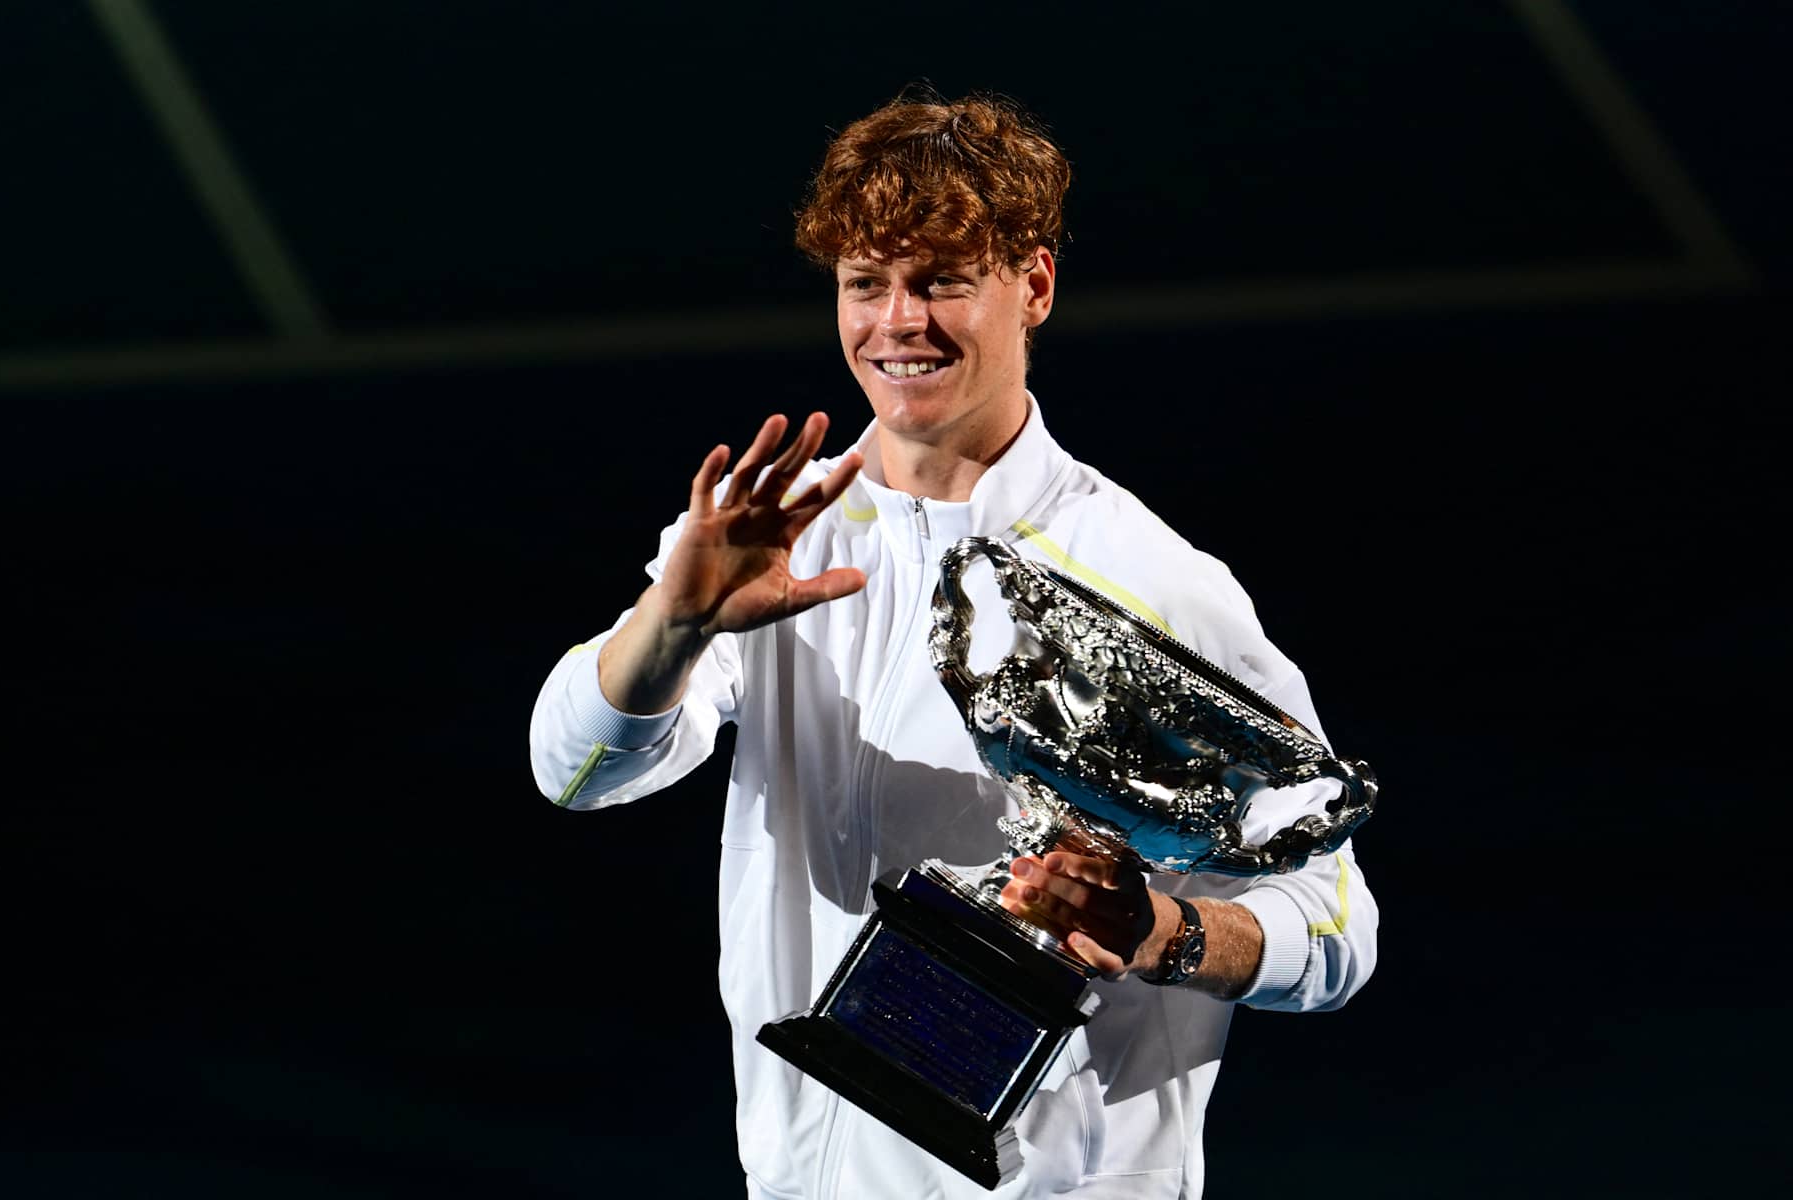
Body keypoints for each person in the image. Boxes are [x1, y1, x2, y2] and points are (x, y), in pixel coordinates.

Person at [530, 92, 1377, 1199]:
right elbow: (578, 771)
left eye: (940, 280)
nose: (898, 323)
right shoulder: (779, 538)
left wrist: (1161, 928)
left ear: (1033, 286)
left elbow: (1335, 922)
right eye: (865, 283)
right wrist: (672, 623)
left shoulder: (1163, 584)